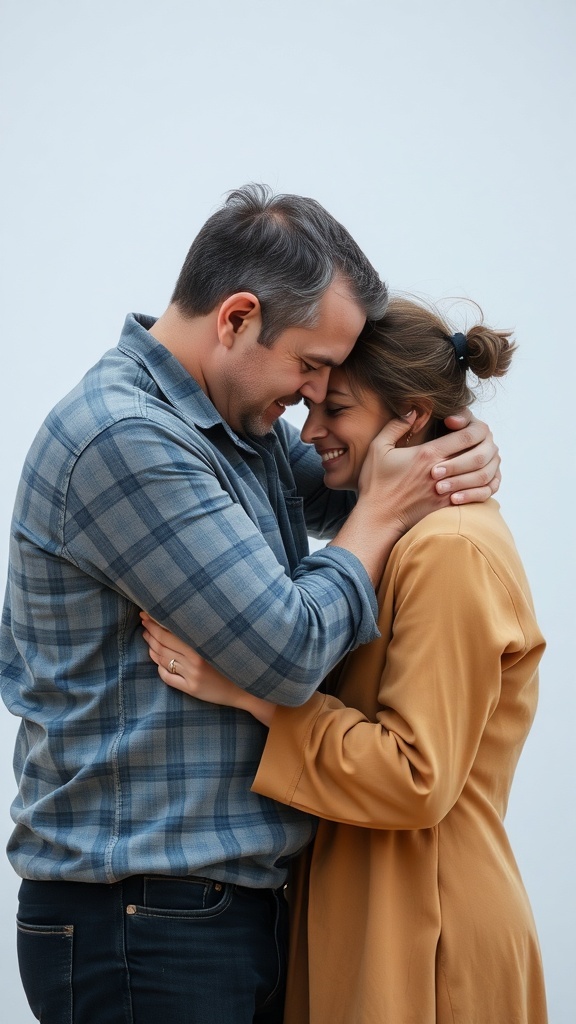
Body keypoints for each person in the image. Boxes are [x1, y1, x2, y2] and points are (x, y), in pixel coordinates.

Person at [1, 184, 500, 1024]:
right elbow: (289, 652)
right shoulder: (128, 438)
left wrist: (449, 441)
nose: (313, 395)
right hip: (143, 921)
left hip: (201, 913)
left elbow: (352, 480)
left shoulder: (234, 430)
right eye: (311, 364)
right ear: (236, 318)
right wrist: (381, 513)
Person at [142, 294, 547, 1023]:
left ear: (411, 417)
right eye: (310, 407)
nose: (309, 431)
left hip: (427, 923)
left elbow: (416, 776)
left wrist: (253, 692)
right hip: (374, 907)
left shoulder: (450, 551)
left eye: (337, 410)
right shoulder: (397, 541)